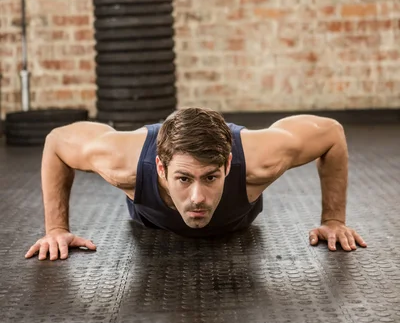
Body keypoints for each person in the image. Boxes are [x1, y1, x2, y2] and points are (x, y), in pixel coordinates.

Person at [25, 107, 367, 261]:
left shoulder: (260, 160)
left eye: (211, 178)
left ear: (228, 164)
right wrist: (56, 228)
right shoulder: (123, 163)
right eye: (183, 179)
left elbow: (331, 134)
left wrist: (333, 220)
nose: (197, 197)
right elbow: (57, 142)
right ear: (160, 168)